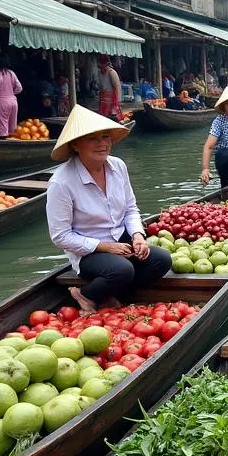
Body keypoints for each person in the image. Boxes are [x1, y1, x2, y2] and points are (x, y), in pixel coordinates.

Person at [46, 105, 170, 314]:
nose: (102, 144)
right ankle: (85, 294)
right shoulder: (62, 182)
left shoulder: (117, 166)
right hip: (88, 252)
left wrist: (138, 236)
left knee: (161, 259)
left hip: (120, 239)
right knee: (121, 270)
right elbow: (60, 236)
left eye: (105, 137)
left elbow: (130, 209)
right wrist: (105, 247)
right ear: (76, 145)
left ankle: (109, 294)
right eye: (93, 139)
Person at [96, 55, 122, 120]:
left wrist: (117, 103)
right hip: (103, 99)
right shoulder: (99, 73)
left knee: (112, 117)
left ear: (106, 63)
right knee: (103, 118)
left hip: (111, 99)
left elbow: (117, 87)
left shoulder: (111, 72)